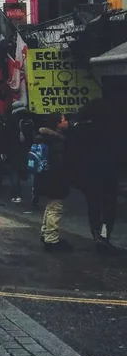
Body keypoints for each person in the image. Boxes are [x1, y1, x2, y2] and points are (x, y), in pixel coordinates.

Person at [67, 98, 119, 253]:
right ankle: (105, 235)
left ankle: (96, 234)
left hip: (88, 174)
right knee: (109, 205)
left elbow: (73, 153)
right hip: (108, 172)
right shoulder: (110, 129)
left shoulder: (79, 130)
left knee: (93, 205)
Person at [35, 115, 73, 251]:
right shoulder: (56, 141)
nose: (66, 122)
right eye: (63, 120)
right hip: (55, 178)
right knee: (55, 207)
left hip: (43, 177)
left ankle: (45, 233)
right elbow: (59, 163)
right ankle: (51, 239)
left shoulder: (42, 137)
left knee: (50, 206)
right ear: (57, 124)